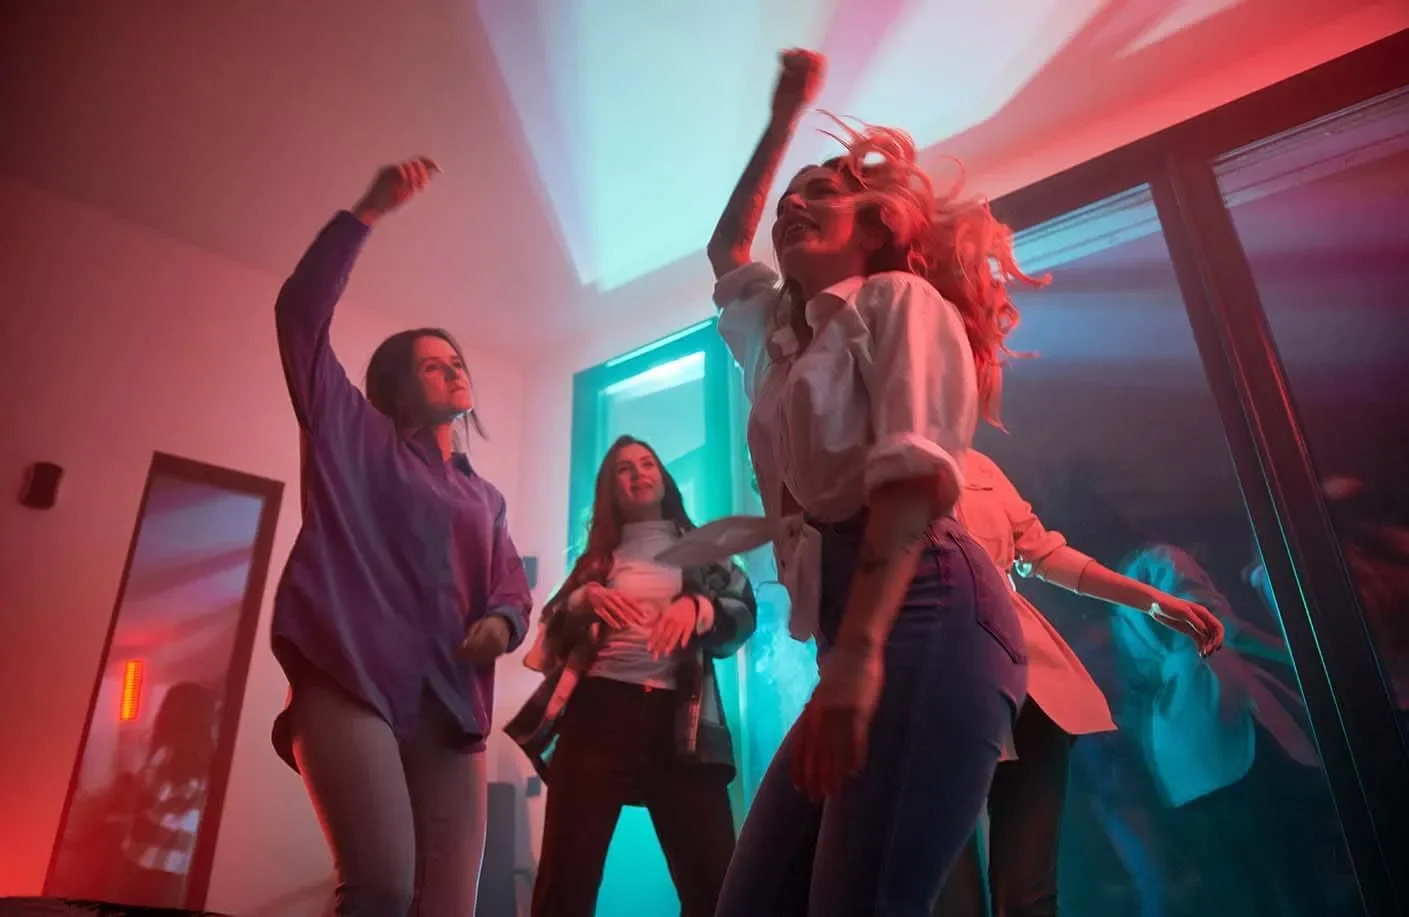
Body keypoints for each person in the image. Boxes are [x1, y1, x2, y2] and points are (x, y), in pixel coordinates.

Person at [707, 48, 1033, 916]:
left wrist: (856, 656)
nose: (793, 206)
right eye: (788, 200)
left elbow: (910, 478)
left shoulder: (895, 300)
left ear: (878, 223)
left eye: (819, 191)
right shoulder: (777, 344)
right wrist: (780, 119)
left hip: (926, 604)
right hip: (853, 635)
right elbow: (726, 246)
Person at [268, 158, 532, 917]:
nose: (451, 369)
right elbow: (298, 316)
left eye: (456, 361)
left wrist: (502, 621)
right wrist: (368, 211)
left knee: (447, 907)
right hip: (347, 677)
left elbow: (511, 585)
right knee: (380, 889)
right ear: (398, 384)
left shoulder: (484, 497)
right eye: (431, 364)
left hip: (450, 706)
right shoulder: (351, 430)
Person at [931, 451, 1224, 916]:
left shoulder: (980, 465)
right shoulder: (880, 456)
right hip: (933, 686)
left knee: (1029, 894)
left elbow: (1042, 552)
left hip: (1027, 683)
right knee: (945, 892)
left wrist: (1151, 601)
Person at [506, 435, 755, 917]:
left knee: (716, 886)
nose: (638, 473)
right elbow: (546, 641)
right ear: (610, 489)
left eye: (647, 464)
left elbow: (744, 612)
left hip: (683, 723)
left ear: (664, 479)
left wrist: (699, 608)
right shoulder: (595, 561)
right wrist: (583, 600)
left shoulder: (705, 550)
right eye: (625, 468)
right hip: (597, 717)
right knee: (564, 885)